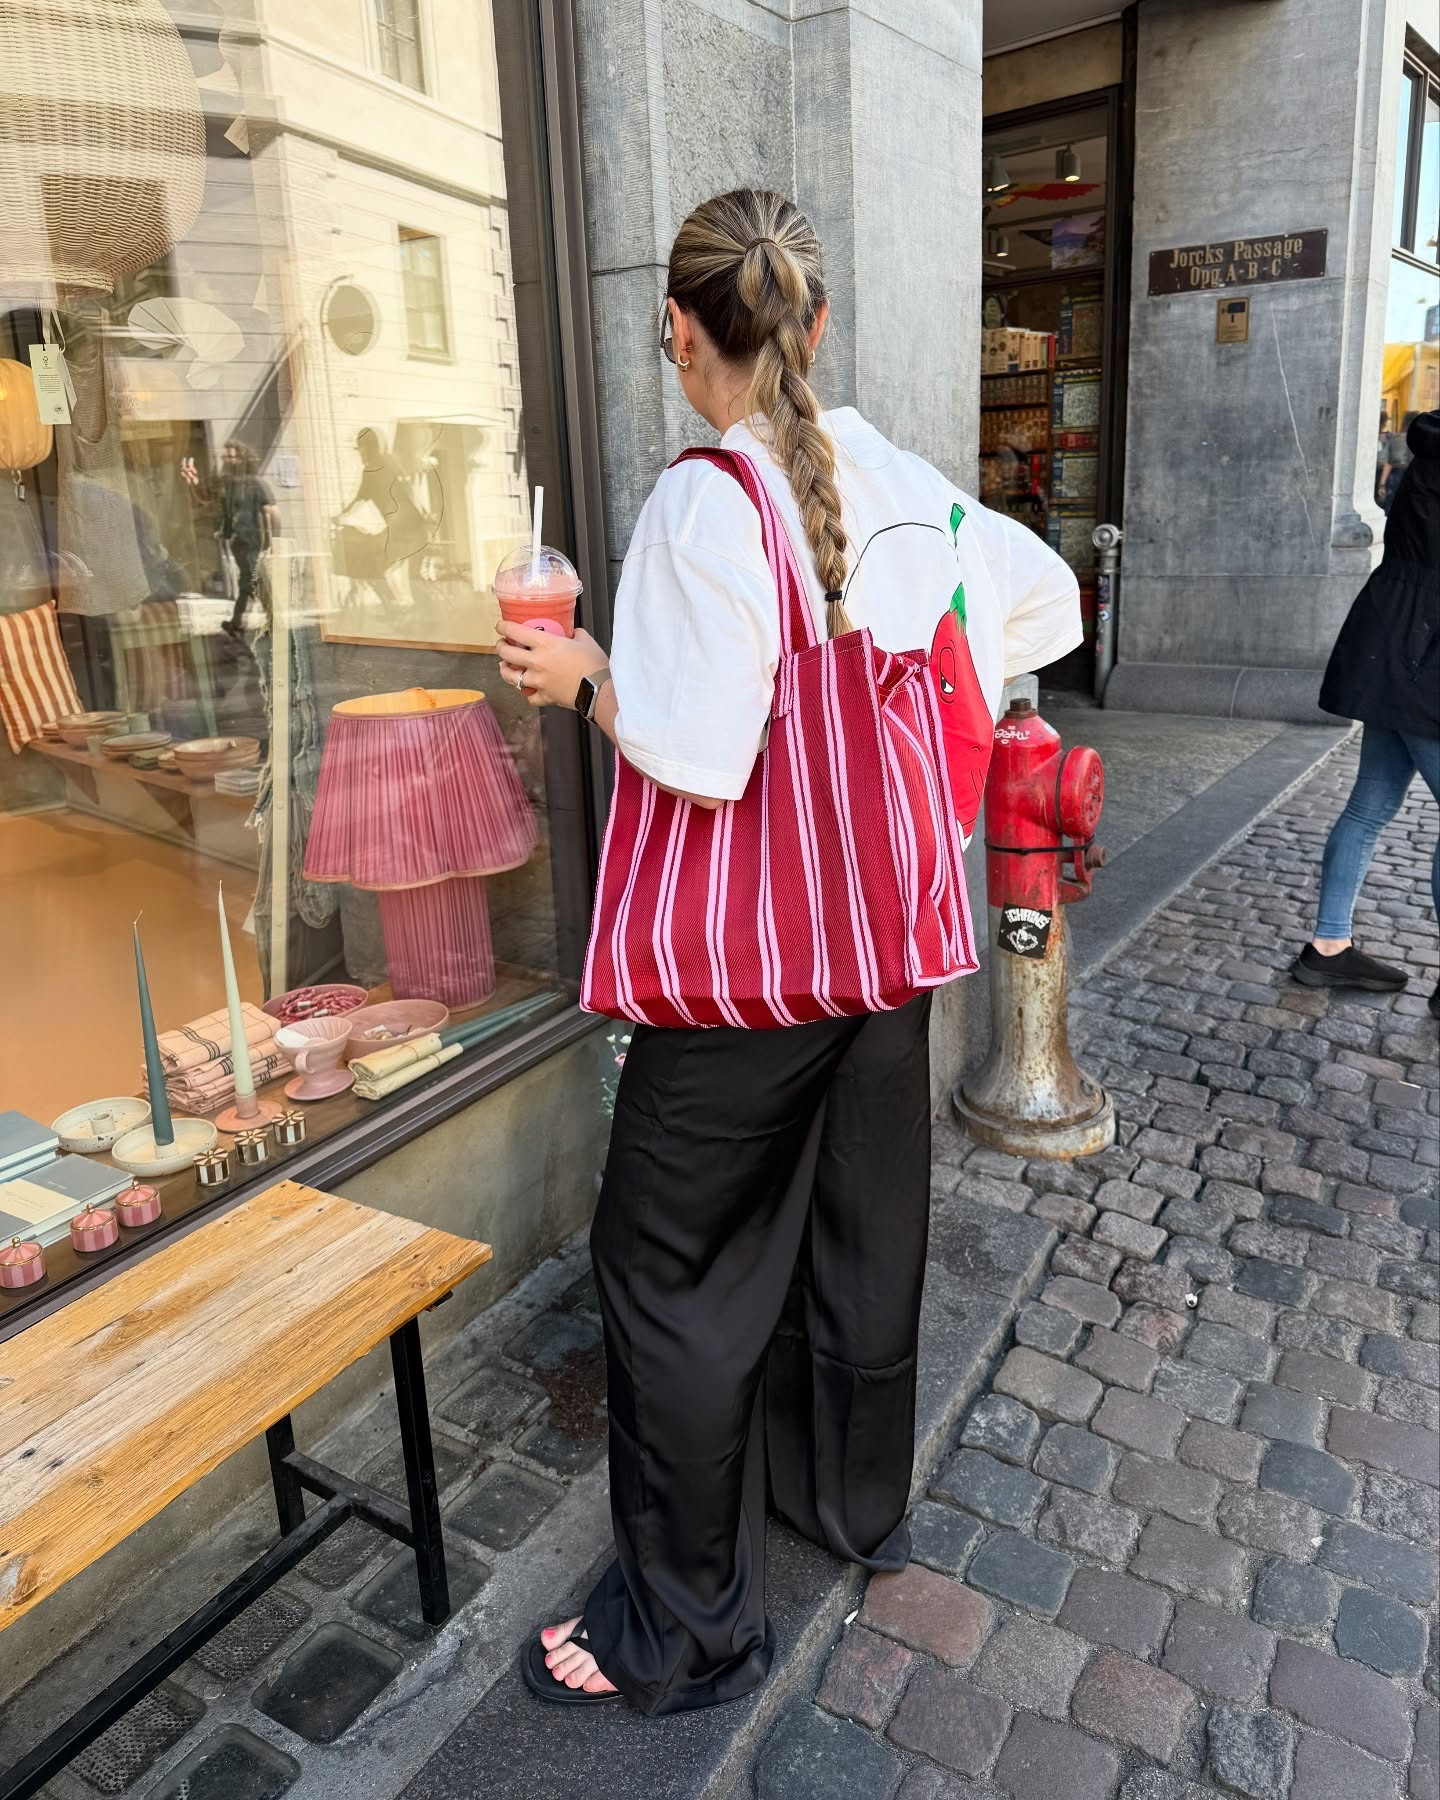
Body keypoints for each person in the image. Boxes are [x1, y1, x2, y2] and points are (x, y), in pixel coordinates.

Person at [497, 188, 1081, 1715]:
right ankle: (842, 1503)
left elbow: (692, 757)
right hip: (888, 951)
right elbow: (1044, 600)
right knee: (854, 1228)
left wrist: (582, 678)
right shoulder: (888, 470)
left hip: (756, 971)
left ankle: (683, 1631)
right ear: (814, 326)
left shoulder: (703, 501)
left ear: (680, 335)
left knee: (665, 1258)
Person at [1293, 407, 1439, 1016]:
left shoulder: (1421, 461)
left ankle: (1328, 944)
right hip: (1427, 655)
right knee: (1369, 805)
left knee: (1369, 804)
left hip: (1392, 644)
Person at [220, 441, 276, 637]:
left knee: (254, 582)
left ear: (241, 459)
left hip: (254, 543)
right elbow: (228, 513)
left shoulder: (255, 484)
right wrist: (226, 533)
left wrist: (273, 541)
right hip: (239, 543)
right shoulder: (231, 484)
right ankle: (239, 621)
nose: (225, 461)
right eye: (224, 457)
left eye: (230, 457)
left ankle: (272, 621)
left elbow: (272, 512)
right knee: (247, 581)